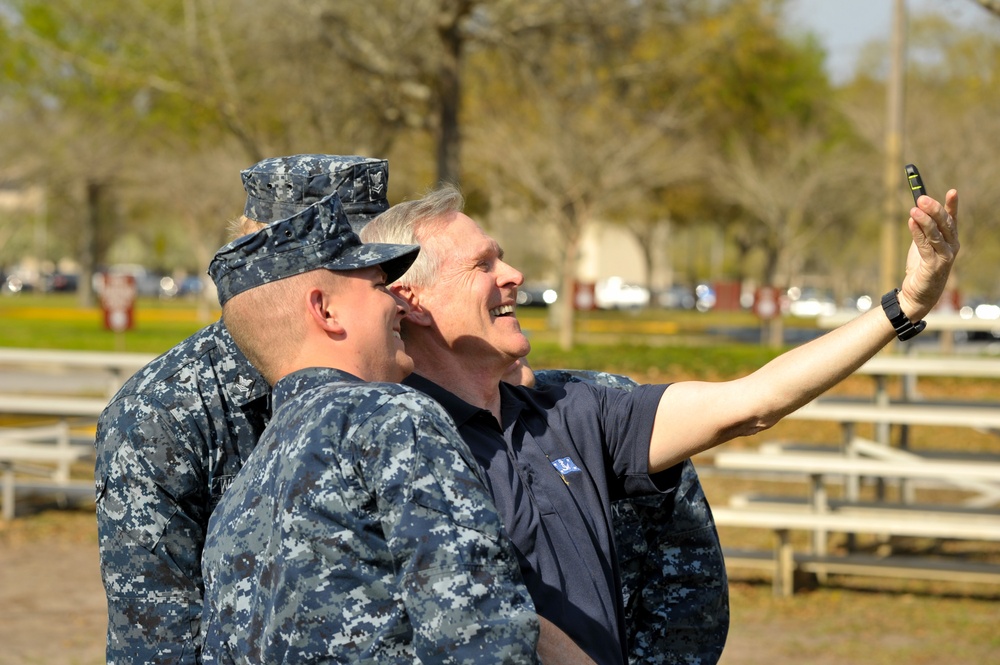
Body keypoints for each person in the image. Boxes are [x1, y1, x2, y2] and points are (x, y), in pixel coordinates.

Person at [360, 183, 959, 665]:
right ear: (411, 299)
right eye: (483, 264)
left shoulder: (572, 410)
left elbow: (754, 401)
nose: (513, 274)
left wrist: (905, 303)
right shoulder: (389, 443)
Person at [200, 191, 582, 663]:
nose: (397, 306)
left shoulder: (241, 491)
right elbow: (483, 636)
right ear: (325, 311)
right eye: (380, 285)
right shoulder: (391, 417)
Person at [94, 154, 392, 664]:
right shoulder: (163, 413)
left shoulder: (404, 369)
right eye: (343, 258)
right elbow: (156, 639)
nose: (383, 280)